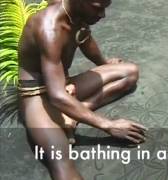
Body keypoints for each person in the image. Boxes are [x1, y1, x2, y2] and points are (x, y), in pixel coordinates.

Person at [18, 0, 147, 179]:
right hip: (38, 96)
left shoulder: (77, 13)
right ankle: (66, 114)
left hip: (62, 84)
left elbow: (84, 37)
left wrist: (103, 63)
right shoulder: (49, 30)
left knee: (129, 72)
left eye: (105, 7)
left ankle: (71, 115)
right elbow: (56, 96)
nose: (102, 15)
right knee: (61, 162)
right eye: (97, 7)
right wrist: (109, 125)